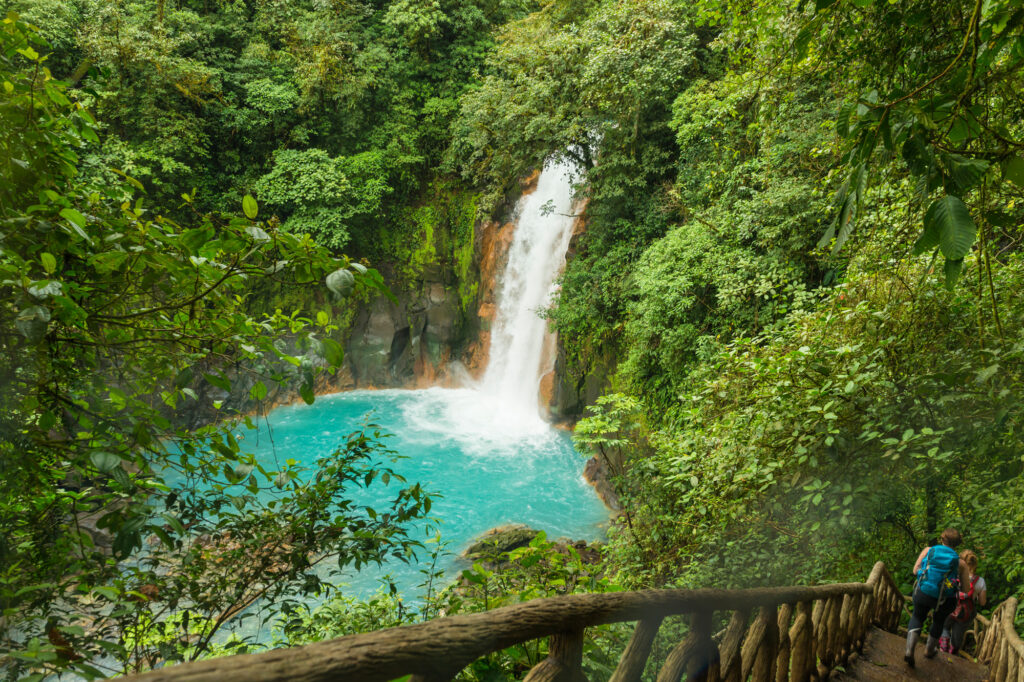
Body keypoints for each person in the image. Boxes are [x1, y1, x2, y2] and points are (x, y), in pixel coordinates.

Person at [904, 528, 971, 668]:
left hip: (924, 592)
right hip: (946, 598)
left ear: (942, 539)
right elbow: (965, 590)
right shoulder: (961, 563)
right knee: (939, 621)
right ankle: (929, 650)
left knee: (917, 616)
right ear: (957, 544)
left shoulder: (929, 550)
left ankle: (909, 650)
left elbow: (915, 570)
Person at [940, 549, 987, 654]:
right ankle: (953, 652)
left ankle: (943, 646)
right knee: (957, 636)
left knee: (944, 627)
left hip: (950, 606)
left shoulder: (954, 575)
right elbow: (982, 603)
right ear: (975, 564)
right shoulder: (980, 581)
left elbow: (944, 588)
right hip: (965, 614)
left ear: (961, 561)